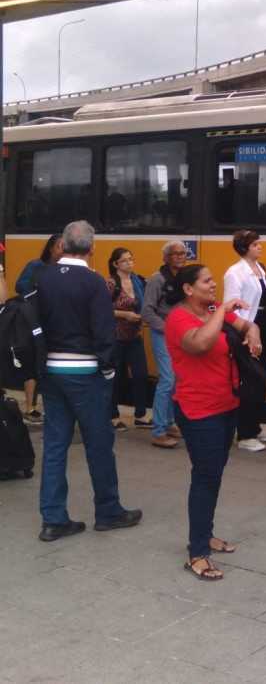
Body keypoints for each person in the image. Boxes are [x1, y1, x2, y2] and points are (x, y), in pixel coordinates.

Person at [36, 220, 141, 541]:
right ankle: (108, 512)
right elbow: (103, 329)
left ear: (63, 245)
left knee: (55, 445)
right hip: (86, 374)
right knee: (98, 444)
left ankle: (53, 519)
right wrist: (109, 370)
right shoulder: (93, 281)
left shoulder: (45, 276)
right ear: (92, 249)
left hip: (51, 372)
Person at [165, 264, 261, 579]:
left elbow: (246, 326)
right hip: (198, 410)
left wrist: (254, 332)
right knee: (205, 477)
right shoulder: (179, 318)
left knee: (214, 474)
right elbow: (200, 344)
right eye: (207, 281)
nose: (213, 285)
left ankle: (204, 534)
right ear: (187, 289)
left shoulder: (210, 309)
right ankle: (197, 553)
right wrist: (221, 311)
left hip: (226, 405)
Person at [223, 230, 266, 451]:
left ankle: (254, 426)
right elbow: (231, 306)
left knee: (260, 376)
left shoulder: (261, 269)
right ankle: (245, 434)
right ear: (245, 249)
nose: (260, 247)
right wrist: (245, 331)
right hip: (246, 327)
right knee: (250, 379)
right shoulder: (235, 272)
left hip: (261, 325)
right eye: (255, 244)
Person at [142, 240, 188, 448]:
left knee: (177, 381)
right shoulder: (157, 279)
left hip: (181, 336)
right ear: (166, 258)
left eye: (183, 253)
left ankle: (169, 424)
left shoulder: (186, 278)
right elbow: (147, 312)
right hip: (163, 336)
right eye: (175, 253)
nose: (180, 256)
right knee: (167, 381)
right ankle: (158, 430)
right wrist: (169, 328)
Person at [14, 233, 64, 424]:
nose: (62, 250)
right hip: (35, 321)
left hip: (55, 322)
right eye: (59, 246)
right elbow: (20, 286)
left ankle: (53, 407)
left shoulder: (64, 269)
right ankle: (30, 408)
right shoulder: (36, 265)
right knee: (34, 363)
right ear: (50, 247)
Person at [105, 248, 150, 430]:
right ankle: (113, 416)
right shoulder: (110, 284)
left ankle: (140, 415)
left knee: (141, 374)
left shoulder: (137, 281)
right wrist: (125, 315)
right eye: (124, 260)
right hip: (115, 337)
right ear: (115, 264)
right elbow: (102, 310)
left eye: (131, 259)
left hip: (134, 336)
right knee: (115, 377)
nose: (129, 263)